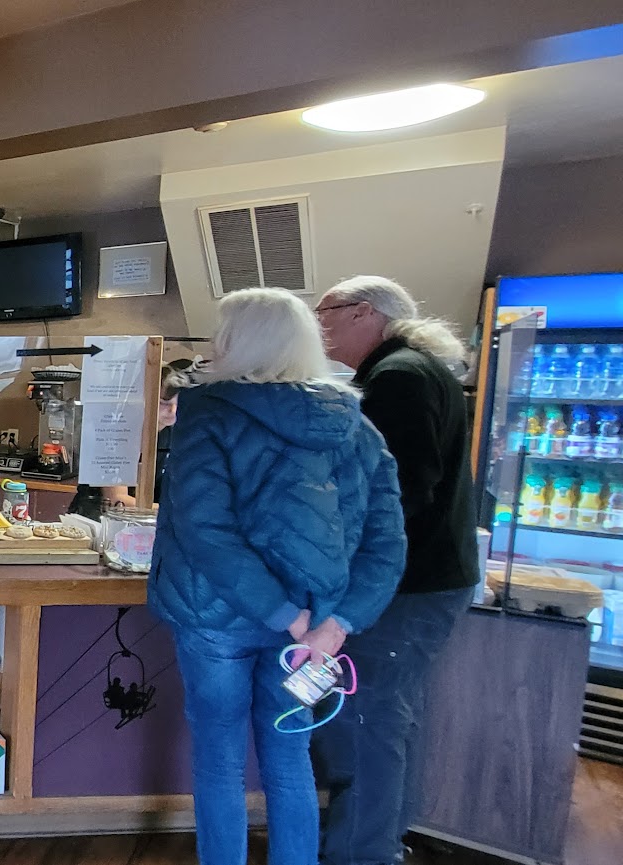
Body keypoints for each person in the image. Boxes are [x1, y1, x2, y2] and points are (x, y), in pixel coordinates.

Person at [149, 288, 408, 865]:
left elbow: (204, 529)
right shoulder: (358, 428)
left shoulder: (209, 414)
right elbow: (386, 543)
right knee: (289, 761)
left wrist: (281, 614)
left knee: (219, 762)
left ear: (236, 341)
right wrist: (336, 624)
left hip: (216, 618)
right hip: (313, 632)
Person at [312, 276, 478, 865]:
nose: (317, 323)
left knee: (363, 724)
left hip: (406, 585)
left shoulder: (398, 377)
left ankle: (362, 855)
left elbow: (395, 494)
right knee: (386, 720)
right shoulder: (415, 368)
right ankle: (380, 844)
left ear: (363, 312)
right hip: (432, 579)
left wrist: (334, 560)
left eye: (325, 311)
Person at [72, 361, 189, 516]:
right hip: (96, 520)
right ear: (143, 399)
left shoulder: (173, 434)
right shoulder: (117, 433)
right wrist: (180, 512)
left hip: (144, 522)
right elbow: (118, 501)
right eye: (163, 403)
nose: (173, 410)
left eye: (178, 403)